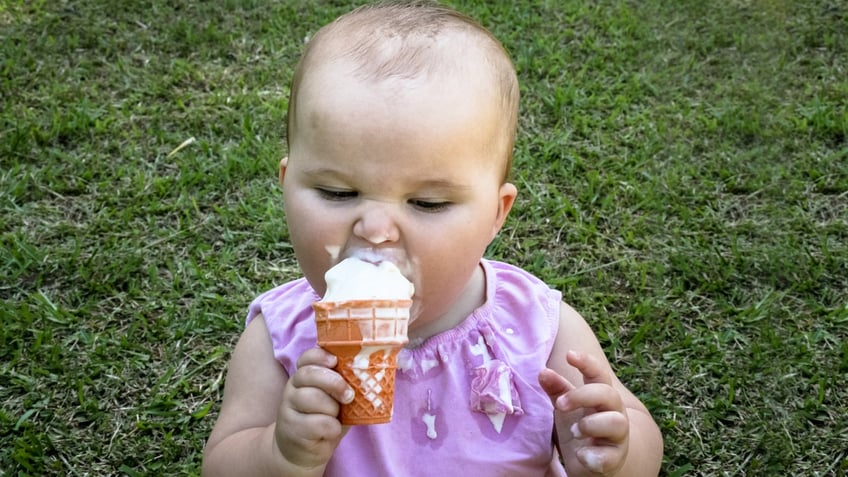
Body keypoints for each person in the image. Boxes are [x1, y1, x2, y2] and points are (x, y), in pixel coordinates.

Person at [201, 1, 663, 476]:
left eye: (427, 204)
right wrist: (281, 455)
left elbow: (639, 439)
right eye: (337, 192)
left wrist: (609, 455)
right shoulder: (281, 338)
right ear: (286, 186)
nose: (376, 230)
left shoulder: (539, 330)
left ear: (495, 215)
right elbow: (221, 463)